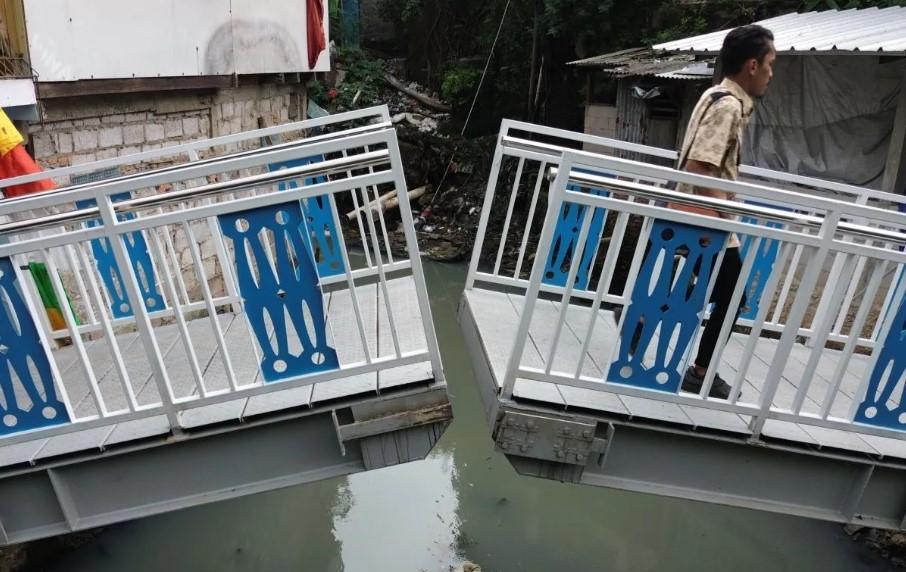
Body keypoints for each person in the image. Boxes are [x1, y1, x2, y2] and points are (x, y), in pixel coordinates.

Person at [676, 24, 776, 399]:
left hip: (697, 213)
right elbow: (700, 167)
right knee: (733, 298)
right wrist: (725, 214)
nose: (771, 73)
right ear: (752, 65)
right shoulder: (728, 106)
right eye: (769, 64)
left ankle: (643, 314)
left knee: (720, 291)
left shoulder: (713, 94)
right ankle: (700, 372)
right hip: (708, 217)